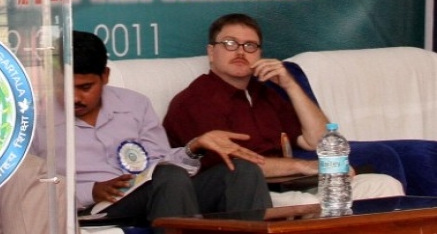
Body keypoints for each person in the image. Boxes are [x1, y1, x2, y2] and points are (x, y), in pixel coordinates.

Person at [163, 13, 405, 206]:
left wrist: (290, 85)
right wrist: (304, 166)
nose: (240, 52)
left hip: (291, 186)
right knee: (306, 204)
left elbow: (319, 141)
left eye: (250, 46)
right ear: (211, 52)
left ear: (260, 54)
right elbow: (234, 168)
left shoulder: (265, 94)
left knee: (383, 186)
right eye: (230, 44)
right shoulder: (195, 100)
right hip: (240, 195)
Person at [42, 31, 270, 231]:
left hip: (156, 192)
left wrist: (194, 147)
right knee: (169, 179)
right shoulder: (37, 119)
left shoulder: (134, 104)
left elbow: (161, 162)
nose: (75, 97)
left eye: (85, 87)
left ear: (105, 76)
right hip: (95, 208)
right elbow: (33, 189)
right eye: (65, 87)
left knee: (242, 171)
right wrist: (90, 191)